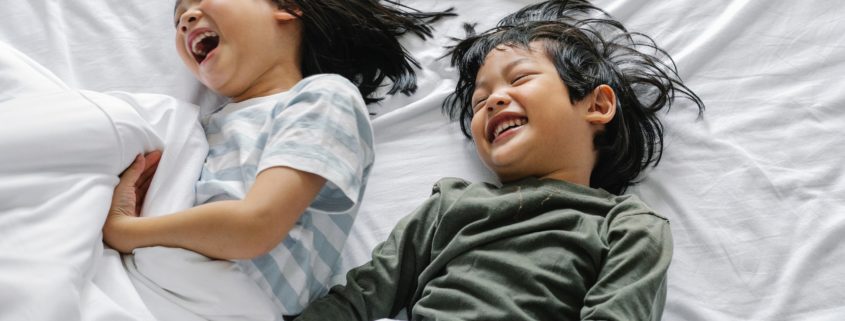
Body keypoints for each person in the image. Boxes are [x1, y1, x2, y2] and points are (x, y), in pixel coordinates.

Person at [293, 0, 704, 320]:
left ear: (596, 105)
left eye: (521, 78)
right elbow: (360, 296)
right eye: (479, 101)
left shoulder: (627, 226)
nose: (493, 100)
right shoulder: (449, 206)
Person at [102, 0, 452, 316]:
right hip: (149, 281)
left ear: (286, 7)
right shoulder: (200, 128)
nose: (186, 20)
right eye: (178, 19)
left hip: (226, 296)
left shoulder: (324, 98)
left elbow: (255, 226)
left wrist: (126, 231)